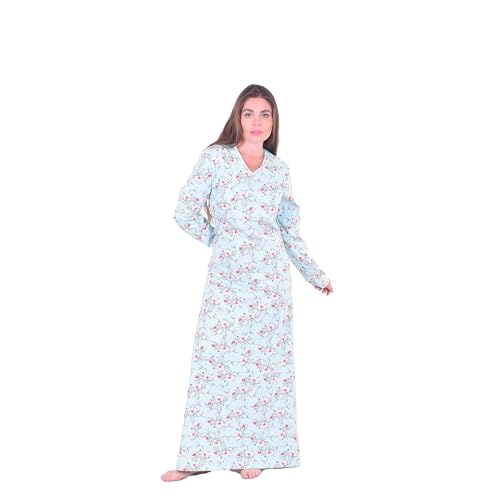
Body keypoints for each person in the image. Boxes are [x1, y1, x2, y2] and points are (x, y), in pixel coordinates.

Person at [161, 84, 333, 482]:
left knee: (262, 370)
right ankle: (197, 457)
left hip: (271, 283)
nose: (257, 122)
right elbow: (184, 211)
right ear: (238, 117)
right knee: (214, 364)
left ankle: (251, 453)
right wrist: (218, 240)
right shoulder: (216, 159)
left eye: (265, 114)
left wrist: (314, 274)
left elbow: (288, 231)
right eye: (249, 113)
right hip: (227, 281)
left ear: (274, 122)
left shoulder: (278, 171)